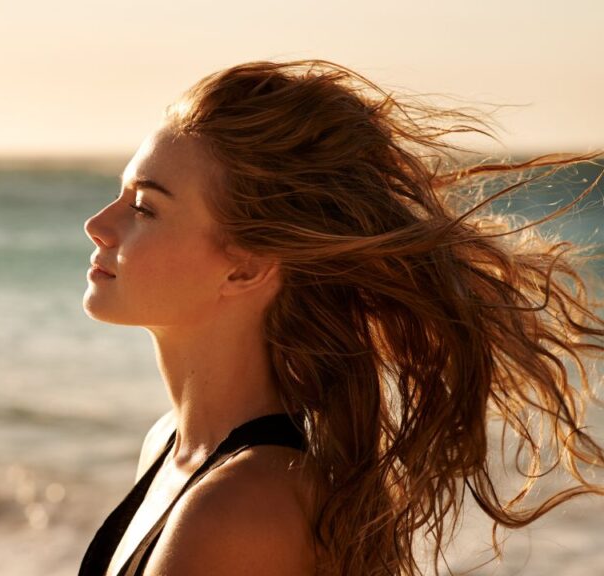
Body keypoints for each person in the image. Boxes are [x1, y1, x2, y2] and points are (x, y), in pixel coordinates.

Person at [77, 59, 604, 575]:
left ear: (245, 268)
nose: (97, 224)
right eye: (121, 195)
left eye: (144, 207)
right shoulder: (171, 447)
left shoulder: (241, 511)